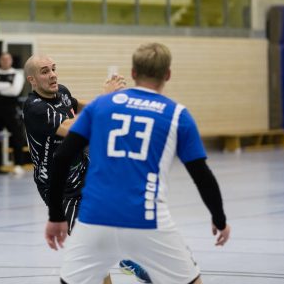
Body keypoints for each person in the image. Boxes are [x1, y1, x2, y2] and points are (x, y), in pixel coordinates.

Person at [45, 43, 231, 284]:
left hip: (95, 219)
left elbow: (61, 158)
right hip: (148, 220)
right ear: (168, 75)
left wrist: (55, 216)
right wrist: (219, 219)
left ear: (133, 73)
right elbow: (202, 175)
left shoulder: (100, 106)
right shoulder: (177, 115)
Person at [23, 55, 149, 284]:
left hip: (86, 169)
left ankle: (127, 256)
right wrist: (105, 98)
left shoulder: (62, 91)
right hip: (60, 188)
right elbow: (72, 127)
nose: (52, 75)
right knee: (94, 245)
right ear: (32, 79)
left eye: (53, 69)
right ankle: (123, 258)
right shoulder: (34, 108)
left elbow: (81, 106)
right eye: (44, 71)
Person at [0, 52, 26, 175]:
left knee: (17, 136)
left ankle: (18, 164)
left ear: (11, 61)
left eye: (7, 59)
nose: (5, 61)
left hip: (11, 109)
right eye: (3, 59)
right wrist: (8, 85)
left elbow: (15, 91)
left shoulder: (17, 74)